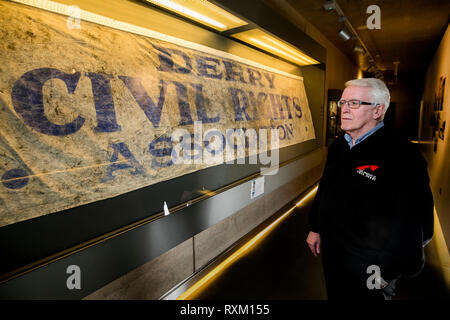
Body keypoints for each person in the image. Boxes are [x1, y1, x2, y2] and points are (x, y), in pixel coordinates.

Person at [306, 78, 434, 300]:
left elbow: (416, 218)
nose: (344, 109)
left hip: (373, 265)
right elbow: (325, 189)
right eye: (343, 102)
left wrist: (388, 269)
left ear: (378, 110)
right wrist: (315, 227)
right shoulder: (339, 146)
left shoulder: (402, 154)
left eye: (354, 103)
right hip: (334, 253)